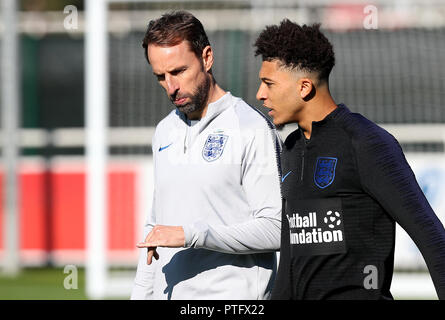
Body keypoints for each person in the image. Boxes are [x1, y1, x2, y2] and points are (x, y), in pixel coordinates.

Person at [254, 19, 445, 300]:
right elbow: (291, 258)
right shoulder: (291, 148)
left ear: (304, 87)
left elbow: (431, 237)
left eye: (269, 84)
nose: (260, 94)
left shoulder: (366, 142)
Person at [131, 11, 282, 300]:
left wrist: (193, 235)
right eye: (160, 77)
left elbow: (276, 229)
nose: (171, 87)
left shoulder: (250, 128)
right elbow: (155, 229)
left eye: (178, 72)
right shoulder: (164, 131)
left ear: (207, 57)